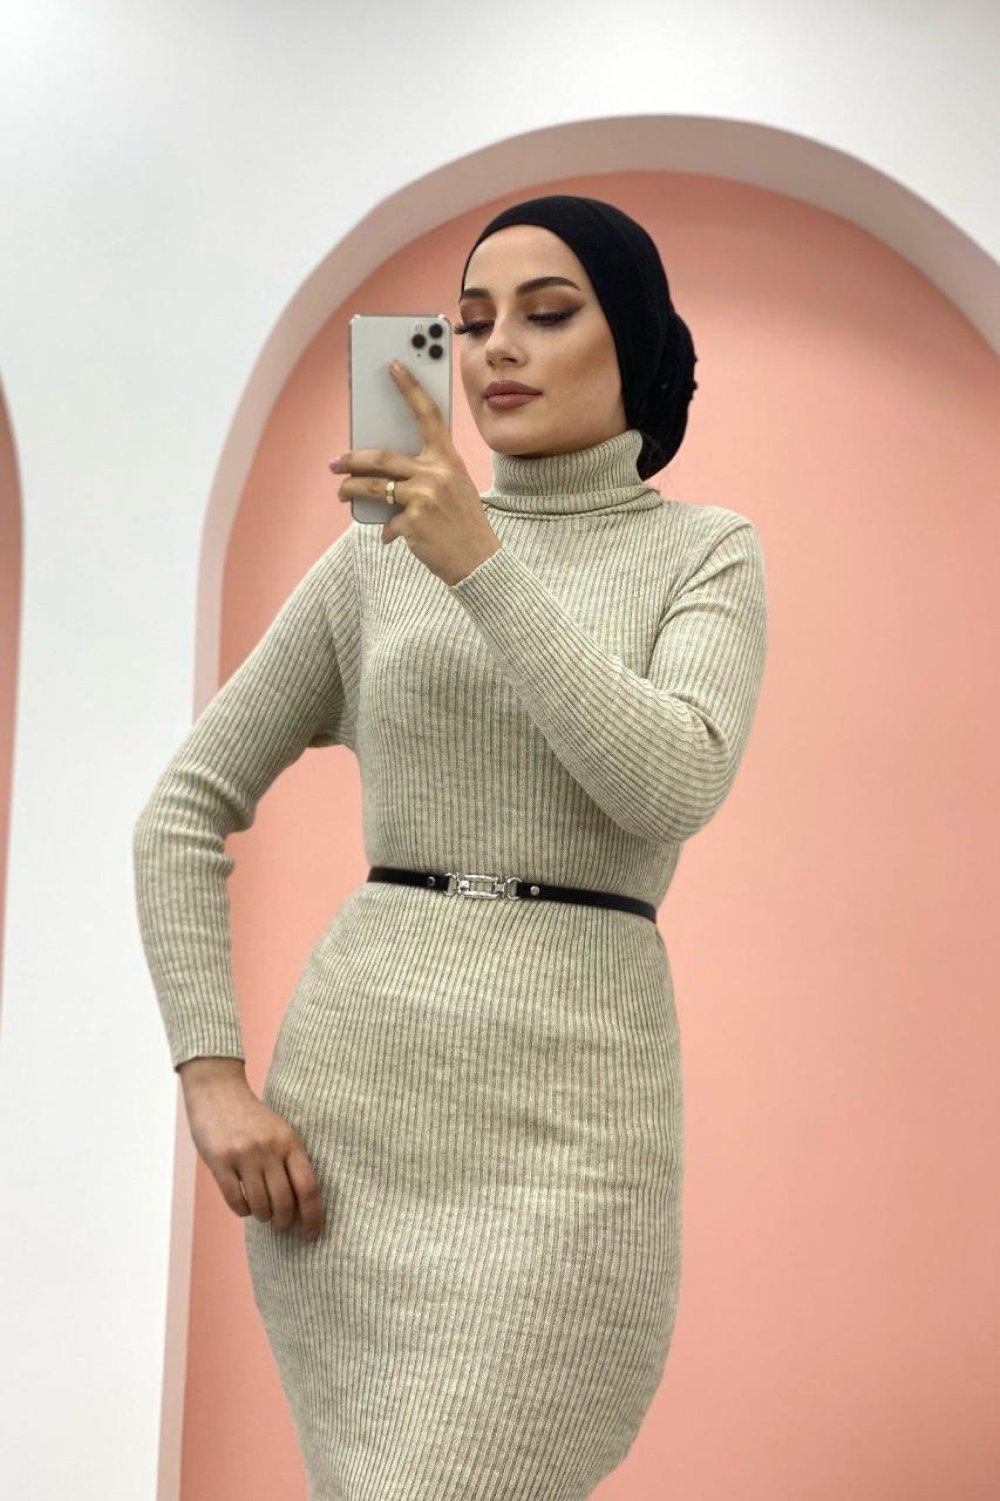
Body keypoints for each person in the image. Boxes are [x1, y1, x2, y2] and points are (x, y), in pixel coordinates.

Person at [133, 193, 768, 1499]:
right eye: (471, 323)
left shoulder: (704, 553)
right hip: (353, 1134)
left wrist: (481, 560)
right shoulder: (374, 561)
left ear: (635, 339)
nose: (496, 351)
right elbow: (183, 805)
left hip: (574, 1137)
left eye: (549, 313)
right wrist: (211, 1075)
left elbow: (669, 784)